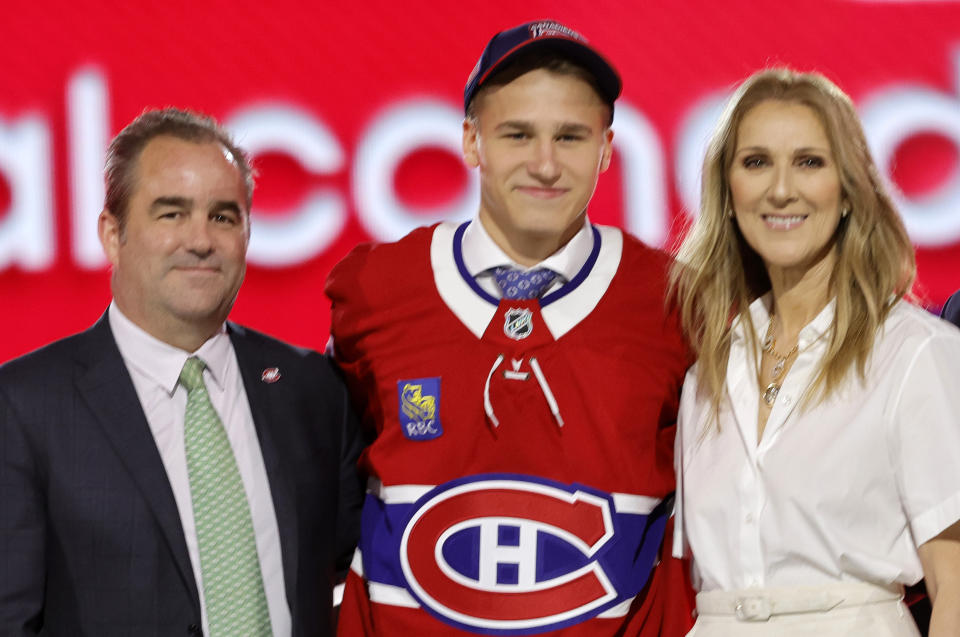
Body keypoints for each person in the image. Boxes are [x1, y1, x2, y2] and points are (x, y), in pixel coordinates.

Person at [326, 19, 693, 637]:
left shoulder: (678, 303)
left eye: (571, 137)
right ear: (472, 142)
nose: (545, 164)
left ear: (606, 148)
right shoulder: (375, 290)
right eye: (517, 134)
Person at [0, 108, 365, 637]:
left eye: (223, 216)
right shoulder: (25, 407)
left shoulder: (312, 391)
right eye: (171, 213)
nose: (201, 240)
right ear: (112, 233)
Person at [670, 68, 960, 636]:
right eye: (756, 162)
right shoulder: (707, 368)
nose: (781, 189)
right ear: (727, 194)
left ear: (850, 189)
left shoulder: (915, 354)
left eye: (809, 161)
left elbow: (953, 586)